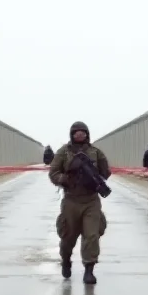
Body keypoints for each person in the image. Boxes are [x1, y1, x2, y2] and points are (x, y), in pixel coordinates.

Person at [48, 121, 111, 284]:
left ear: (87, 134)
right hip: (71, 200)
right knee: (68, 236)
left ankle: (89, 269)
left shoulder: (95, 152)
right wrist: (65, 179)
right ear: (72, 134)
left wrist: (95, 177)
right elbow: (53, 173)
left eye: (83, 132)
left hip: (91, 200)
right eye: (77, 132)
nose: (80, 134)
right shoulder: (63, 152)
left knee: (91, 235)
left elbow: (106, 171)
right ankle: (66, 260)